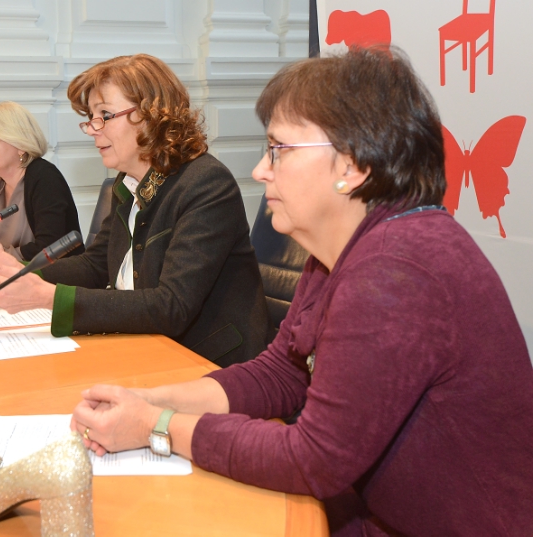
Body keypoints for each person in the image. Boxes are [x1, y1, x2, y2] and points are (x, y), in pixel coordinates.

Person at [69, 47, 533, 536]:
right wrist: (149, 401)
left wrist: (156, 426)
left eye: (279, 150)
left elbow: (314, 459)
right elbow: (281, 374)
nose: (260, 171)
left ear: (352, 165)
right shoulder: (342, 248)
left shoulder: (395, 272)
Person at [0, 54, 270, 367]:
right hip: (142, 346)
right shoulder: (129, 182)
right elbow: (96, 265)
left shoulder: (205, 183)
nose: (93, 128)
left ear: (152, 114)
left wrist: (47, 297)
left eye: (105, 114)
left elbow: (171, 306)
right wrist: (21, 273)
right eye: (91, 117)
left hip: (208, 362)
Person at [0, 101, 84, 263]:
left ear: (21, 145)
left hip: (53, 275)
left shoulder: (45, 178)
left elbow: (50, 248)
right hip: (8, 273)